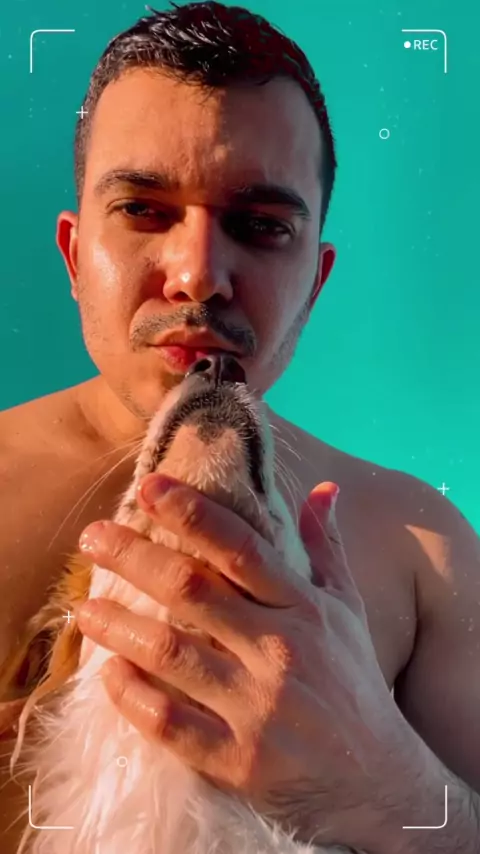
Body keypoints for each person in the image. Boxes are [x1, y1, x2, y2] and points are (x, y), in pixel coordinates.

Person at [1, 3, 479, 852]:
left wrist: (385, 781)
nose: (199, 276)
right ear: (74, 257)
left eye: (261, 227)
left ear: (315, 282)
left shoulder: (423, 554)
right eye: (144, 210)